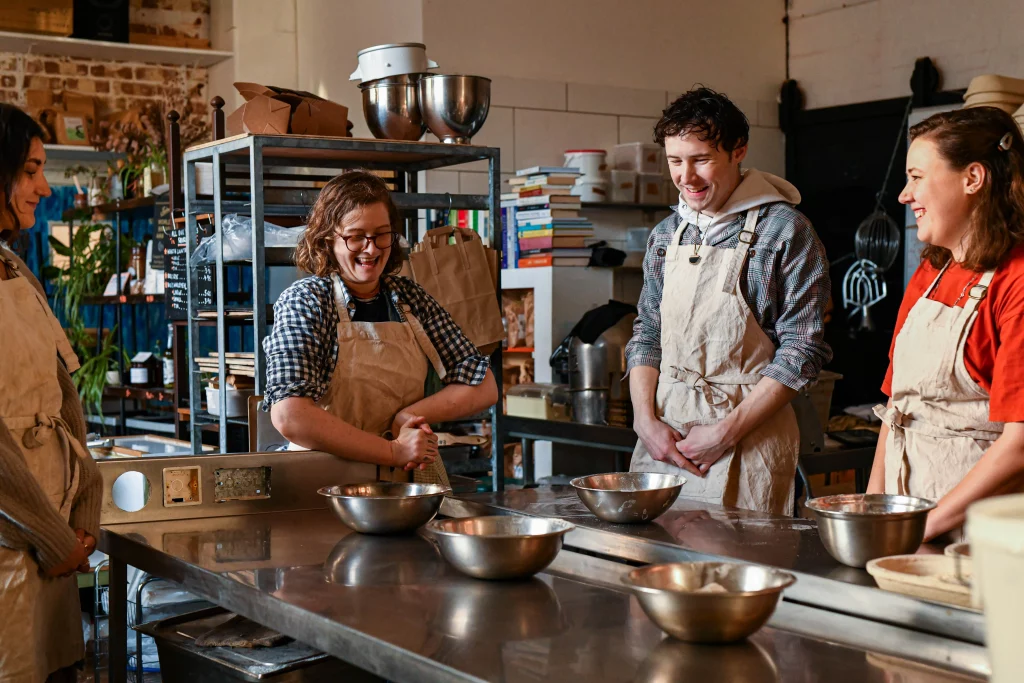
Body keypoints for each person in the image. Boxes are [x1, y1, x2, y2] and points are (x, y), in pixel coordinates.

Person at [625, 87, 832, 515]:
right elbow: (647, 334)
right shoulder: (666, 235)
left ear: (739, 151)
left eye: (701, 159)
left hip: (747, 439)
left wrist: (726, 432)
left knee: (737, 573)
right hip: (664, 440)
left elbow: (803, 350)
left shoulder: (785, 232)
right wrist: (645, 421)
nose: (686, 177)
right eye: (675, 161)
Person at [264, 170, 498, 484]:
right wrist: (391, 452)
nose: (372, 249)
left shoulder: (410, 298)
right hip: (324, 484)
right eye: (356, 236)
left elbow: (483, 386)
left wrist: (410, 415)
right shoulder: (306, 302)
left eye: (381, 234)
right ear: (329, 237)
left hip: (405, 482)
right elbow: (290, 416)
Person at [867, 106, 1024, 542]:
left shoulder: (1017, 282)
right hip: (904, 521)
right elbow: (893, 410)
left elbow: (1020, 446)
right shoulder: (930, 273)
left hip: (980, 537)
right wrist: (873, 512)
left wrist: (923, 528)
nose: (904, 194)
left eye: (916, 177)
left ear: (973, 178)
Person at [0, 104, 103, 682]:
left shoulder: (15, 268)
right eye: (31, 169)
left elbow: (65, 397)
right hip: (12, 540)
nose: (43, 185)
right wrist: (48, 534)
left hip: (57, 538)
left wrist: (83, 504)